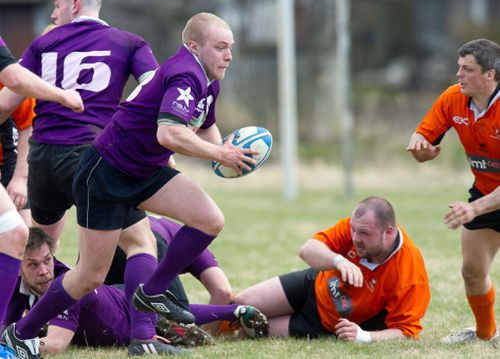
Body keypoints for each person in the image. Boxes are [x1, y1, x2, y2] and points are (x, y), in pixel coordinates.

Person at [1, 11, 257, 359]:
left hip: (143, 172)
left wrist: (224, 155)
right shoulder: (184, 73)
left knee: (210, 219)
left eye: (231, 48)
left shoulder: (208, 79)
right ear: (195, 46)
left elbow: (204, 126)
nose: (229, 55)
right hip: (105, 174)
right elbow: (168, 133)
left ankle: (151, 292)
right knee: (90, 275)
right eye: (221, 47)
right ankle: (22, 332)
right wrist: (219, 153)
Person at [0, 0, 170, 355]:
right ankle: (143, 337)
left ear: (75, 5)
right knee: (141, 242)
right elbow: (155, 92)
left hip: (43, 159)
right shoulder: (129, 42)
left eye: (56, 5)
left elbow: (6, 103)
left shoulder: (43, 45)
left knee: (37, 248)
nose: (52, 14)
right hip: (95, 158)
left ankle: (10, 330)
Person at [5, 228, 267, 355]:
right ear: (18, 267)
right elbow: (8, 325)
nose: (43, 271)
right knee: (157, 311)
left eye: (47, 260)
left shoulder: (65, 288)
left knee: (161, 315)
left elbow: (55, 345)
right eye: (33, 264)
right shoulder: (16, 286)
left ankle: (222, 315)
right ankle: (232, 312)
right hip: (117, 292)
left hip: (132, 296)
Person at [234, 197, 430, 342]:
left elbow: (407, 332)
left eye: (363, 233)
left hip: (327, 323)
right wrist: (339, 261)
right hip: (312, 285)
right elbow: (307, 249)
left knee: (247, 332)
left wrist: (365, 336)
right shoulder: (358, 227)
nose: (355, 238)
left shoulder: (409, 273)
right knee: (241, 303)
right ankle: (209, 329)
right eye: (353, 230)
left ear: (388, 233)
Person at [407, 39, 500, 343]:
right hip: (485, 194)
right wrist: (420, 148)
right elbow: (422, 135)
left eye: (467, 69)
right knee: (472, 272)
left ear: (490, 74)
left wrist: (474, 208)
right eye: (459, 66)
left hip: (484, 201)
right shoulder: (453, 98)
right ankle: (486, 336)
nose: (458, 74)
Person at [0, 35, 82, 336]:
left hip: (10, 165)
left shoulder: (11, 77)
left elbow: (25, 123)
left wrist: (20, 176)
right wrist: (63, 95)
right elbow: (16, 78)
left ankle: (19, 321)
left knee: (23, 238)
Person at [106, 215, 234, 334]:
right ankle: (237, 311)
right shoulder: (195, 243)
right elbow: (223, 292)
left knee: (117, 304)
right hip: (148, 244)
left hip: (113, 237)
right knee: (175, 313)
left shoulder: (173, 230)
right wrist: (208, 332)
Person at [0, 86, 35, 225]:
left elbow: (28, 126)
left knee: (23, 230)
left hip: (8, 158)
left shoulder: (9, 76)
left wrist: (20, 178)